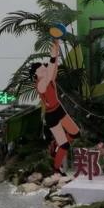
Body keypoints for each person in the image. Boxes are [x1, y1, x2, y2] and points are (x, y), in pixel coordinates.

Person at [31, 38, 79, 175]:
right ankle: (56, 169)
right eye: (41, 68)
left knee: (75, 133)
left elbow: (54, 66)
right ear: (36, 74)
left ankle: (54, 144)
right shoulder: (41, 85)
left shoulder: (49, 79)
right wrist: (53, 56)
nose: (43, 68)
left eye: (43, 67)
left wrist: (56, 46)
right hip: (51, 115)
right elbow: (51, 67)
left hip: (59, 108)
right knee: (65, 145)